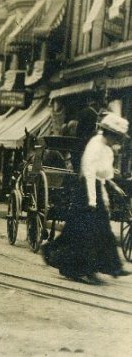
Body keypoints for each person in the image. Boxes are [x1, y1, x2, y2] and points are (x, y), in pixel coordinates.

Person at [43, 113, 130, 283]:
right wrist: (92, 201)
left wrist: (106, 195)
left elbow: (104, 177)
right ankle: (79, 268)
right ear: (108, 133)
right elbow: (89, 174)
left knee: (100, 229)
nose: (117, 141)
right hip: (86, 191)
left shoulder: (107, 149)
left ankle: (108, 266)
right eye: (117, 137)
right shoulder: (95, 145)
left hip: (96, 189)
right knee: (85, 232)